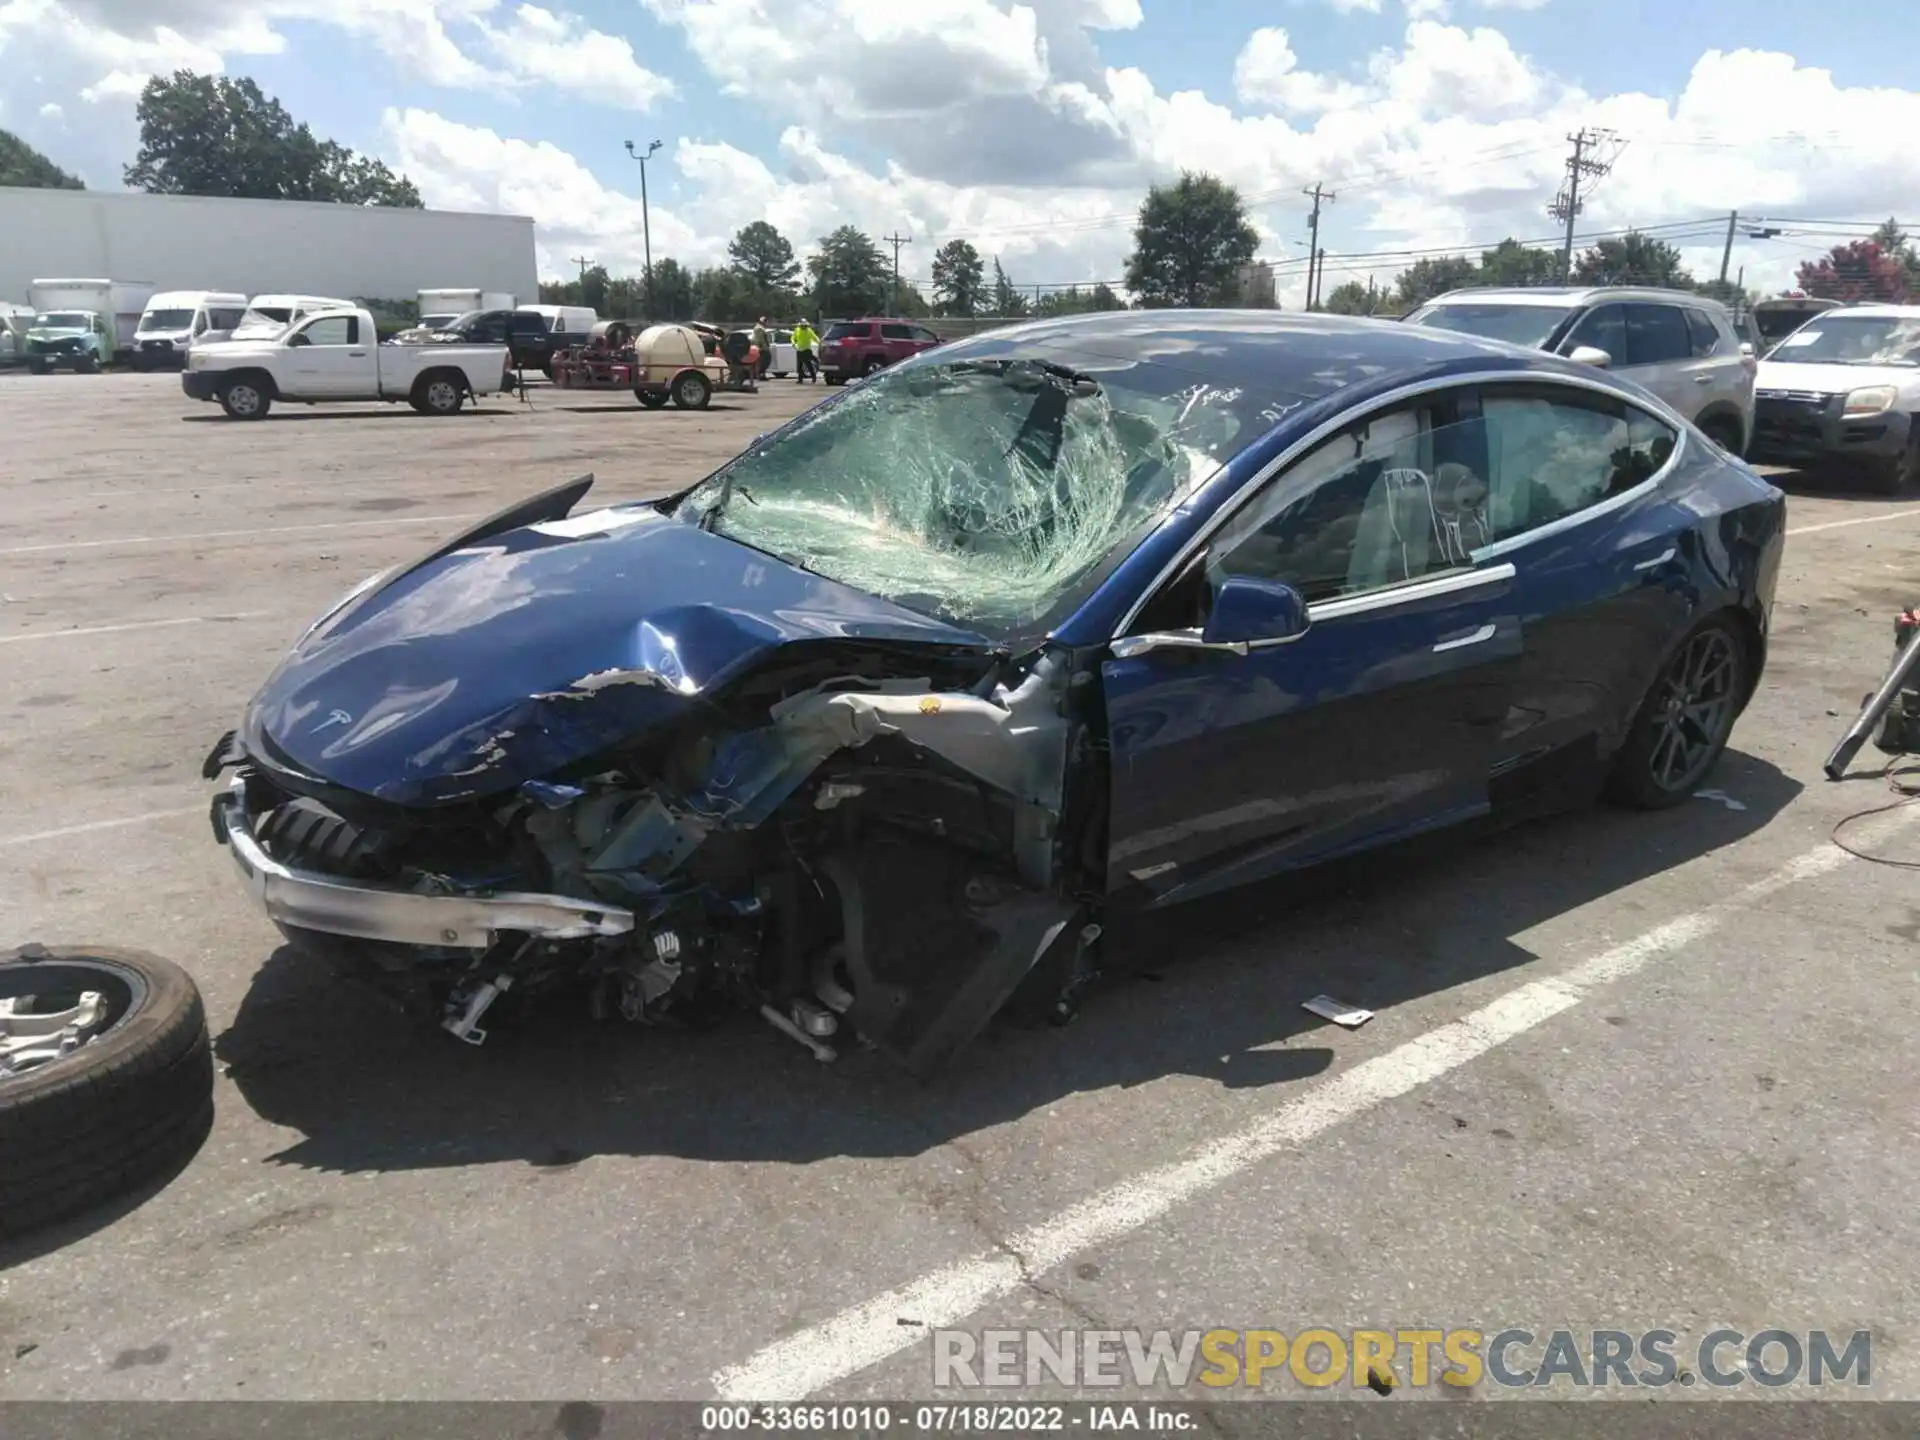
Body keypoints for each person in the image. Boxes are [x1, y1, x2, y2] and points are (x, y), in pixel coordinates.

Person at [791, 318, 819, 383]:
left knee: (808, 365)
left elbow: (814, 337)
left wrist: (819, 343)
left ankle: (813, 377)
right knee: (799, 366)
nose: (803, 327)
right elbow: (793, 337)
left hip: (806, 350)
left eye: (804, 325)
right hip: (799, 350)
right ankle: (800, 379)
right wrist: (793, 343)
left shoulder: (809, 331)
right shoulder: (797, 330)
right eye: (802, 325)